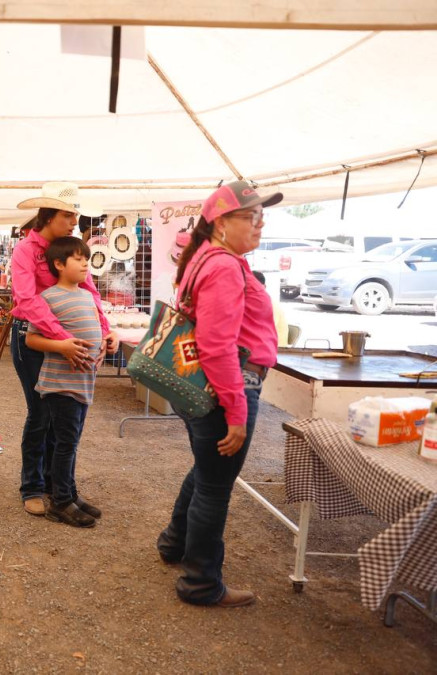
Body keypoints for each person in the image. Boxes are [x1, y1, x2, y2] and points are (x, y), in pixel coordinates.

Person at [156, 180, 282, 608]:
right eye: (251, 217)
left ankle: (174, 543)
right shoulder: (224, 265)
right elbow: (216, 344)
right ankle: (201, 582)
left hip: (206, 384)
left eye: (261, 216)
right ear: (221, 223)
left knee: (207, 473)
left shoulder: (207, 259)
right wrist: (235, 411)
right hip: (229, 385)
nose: (260, 225)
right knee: (215, 485)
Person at [10, 183, 117, 518]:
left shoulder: (66, 250)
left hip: (64, 342)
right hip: (36, 339)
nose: (75, 220)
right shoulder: (25, 251)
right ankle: (32, 487)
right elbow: (27, 301)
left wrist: (104, 330)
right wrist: (61, 339)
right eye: (69, 214)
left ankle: (59, 489)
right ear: (48, 216)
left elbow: (90, 293)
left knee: (64, 416)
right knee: (40, 415)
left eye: (75, 214)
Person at [25, 237, 104, 527]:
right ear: (58, 264)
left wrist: (104, 344)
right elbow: (31, 338)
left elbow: (95, 330)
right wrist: (62, 347)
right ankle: (60, 502)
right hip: (61, 384)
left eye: (87, 258)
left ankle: (69, 492)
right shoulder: (49, 298)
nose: (85, 263)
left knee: (71, 442)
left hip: (83, 384)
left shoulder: (86, 295)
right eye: (78, 259)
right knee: (65, 443)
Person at [252, 270, 290, 347]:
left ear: (264, 287)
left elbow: (263, 333)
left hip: (276, 350)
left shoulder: (269, 305)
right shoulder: (255, 303)